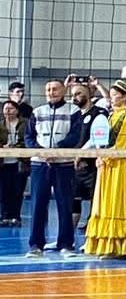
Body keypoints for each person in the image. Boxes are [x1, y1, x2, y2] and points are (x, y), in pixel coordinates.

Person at [82, 69, 126, 260]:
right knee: (106, 204)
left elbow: (125, 143)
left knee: (119, 204)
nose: (111, 98)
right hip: (107, 165)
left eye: (115, 94)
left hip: (121, 165)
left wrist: (106, 155)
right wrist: (99, 155)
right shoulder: (110, 115)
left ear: (125, 96)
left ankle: (121, 246)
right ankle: (108, 242)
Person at [25, 76, 86, 258]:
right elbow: (29, 137)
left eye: (55, 89)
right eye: (48, 90)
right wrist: (41, 151)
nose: (51, 93)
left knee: (65, 205)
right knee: (37, 205)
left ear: (63, 91)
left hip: (63, 164)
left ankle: (66, 245)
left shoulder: (73, 111)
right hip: (40, 164)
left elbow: (75, 135)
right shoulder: (37, 111)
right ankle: (36, 246)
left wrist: (57, 150)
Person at [0, 97, 27, 227]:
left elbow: (27, 141)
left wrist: (15, 148)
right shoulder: (0, 124)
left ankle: (16, 216)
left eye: (11, 108)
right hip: (3, 163)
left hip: (19, 162)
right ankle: (4, 216)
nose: (8, 111)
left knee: (17, 191)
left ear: (17, 110)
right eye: (6, 108)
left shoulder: (25, 124)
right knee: (3, 191)